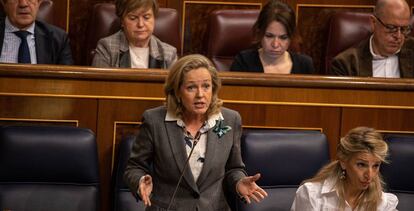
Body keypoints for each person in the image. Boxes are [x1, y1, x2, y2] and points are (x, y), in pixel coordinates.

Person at [124, 54, 268, 210]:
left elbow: (234, 168)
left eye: (206, 86)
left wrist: (238, 182)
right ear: (177, 91)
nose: (200, 94)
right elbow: (134, 167)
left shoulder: (229, 120)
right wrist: (140, 182)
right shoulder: (155, 121)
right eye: (191, 87)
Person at [291, 126, 398, 211]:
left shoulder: (383, 203)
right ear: (343, 162)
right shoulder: (311, 195)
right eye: (361, 164)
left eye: (376, 166)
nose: (369, 175)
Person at [330, 0, 414, 78]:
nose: (398, 36)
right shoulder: (346, 64)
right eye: (391, 28)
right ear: (373, 23)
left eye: (404, 29)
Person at [230, 0, 314, 74]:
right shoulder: (243, 62)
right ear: (260, 33)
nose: (275, 44)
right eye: (269, 36)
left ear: (291, 37)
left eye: (283, 37)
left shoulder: (305, 65)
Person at [92, 0, 177, 68]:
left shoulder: (168, 53)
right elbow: (100, 87)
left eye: (146, 17)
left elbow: (173, 88)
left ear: (154, 18)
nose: (140, 24)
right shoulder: (106, 48)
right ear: (122, 21)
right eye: (133, 18)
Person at [0, 0, 73, 64]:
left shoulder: (58, 40)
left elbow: (66, 79)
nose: (23, 4)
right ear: (4, 3)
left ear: (39, 2)